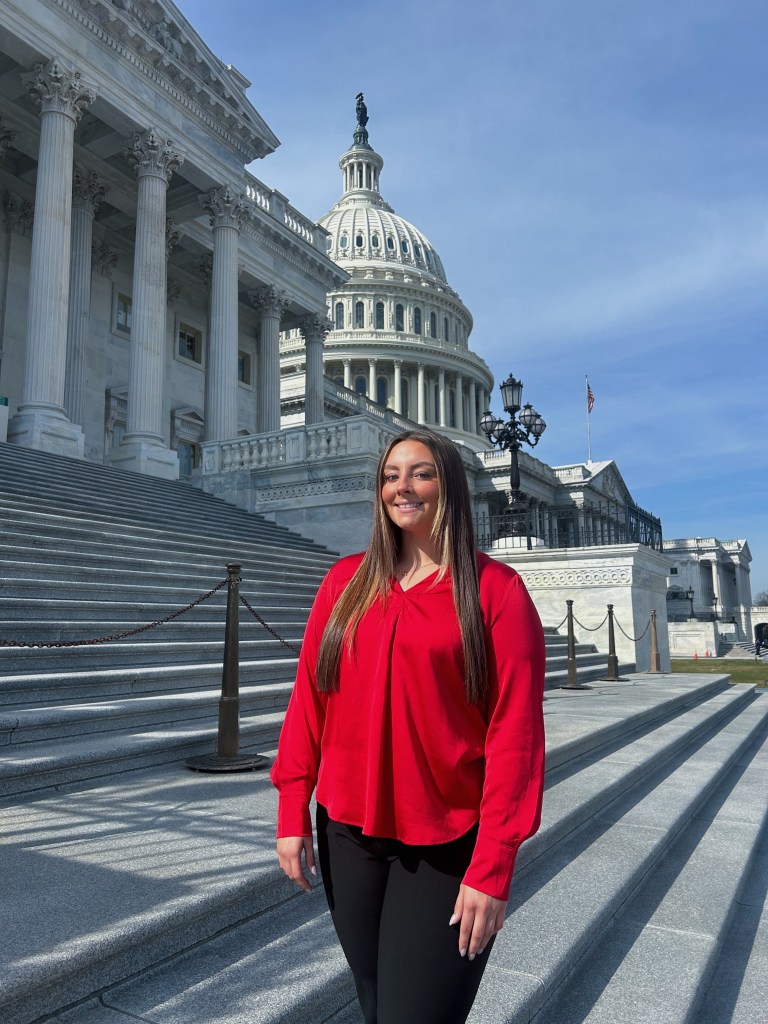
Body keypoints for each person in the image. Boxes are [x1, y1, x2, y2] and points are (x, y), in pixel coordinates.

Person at [271, 428, 546, 1024]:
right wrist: (293, 807)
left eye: (420, 473)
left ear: (448, 484)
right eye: (391, 475)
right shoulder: (344, 583)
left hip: (447, 842)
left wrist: (494, 866)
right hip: (348, 834)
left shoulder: (496, 591)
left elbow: (515, 736)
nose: (402, 487)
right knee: (375, 1005)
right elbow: (310, 701)